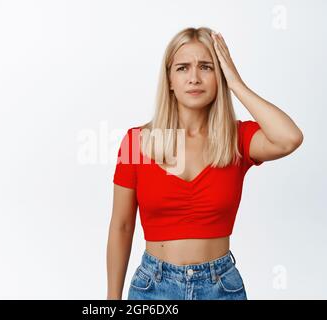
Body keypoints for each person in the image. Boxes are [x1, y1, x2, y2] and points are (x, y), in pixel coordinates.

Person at [106, 26, 303, 300]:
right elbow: (121, 226)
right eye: (183, 68)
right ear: (170, 80)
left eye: (207, 67)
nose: (194, 78)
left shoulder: (237, 139)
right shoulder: (137, 141)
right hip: (153, 287)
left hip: (220, 287)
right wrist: (112, 299)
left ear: (219, 76)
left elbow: (289, 138)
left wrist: (236, 83)